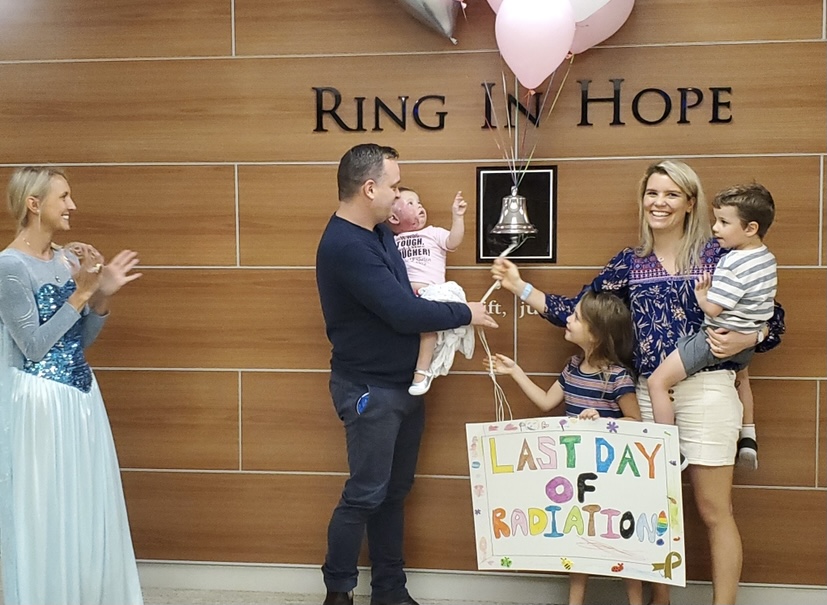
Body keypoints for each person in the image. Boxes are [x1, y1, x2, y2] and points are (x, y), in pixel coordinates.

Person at [491, 160, 784, 605]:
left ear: (690, 202)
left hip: (709, 389)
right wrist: (520, 287)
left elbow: (771, 317)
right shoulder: (630, 263)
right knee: (652, 506)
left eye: (670, 194)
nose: (659, 202)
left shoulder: (721, 253)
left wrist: (752, 335)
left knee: (713, 509)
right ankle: (659, 601)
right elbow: (580, 310)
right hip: (647, 394)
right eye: (652, 193)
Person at [315, 144, 498, 605]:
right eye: (395, 187)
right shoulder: (344, 244)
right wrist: (465, 312)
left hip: (402, 385)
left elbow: (403, 297)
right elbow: (400, 312)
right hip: (369, 390)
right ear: (369, 187)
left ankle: (390, 593)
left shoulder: (377, 233)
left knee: (393, 494)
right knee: (364, 494)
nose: (399, 196)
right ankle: (338, 593)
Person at [0, 166, 143, 605]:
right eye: (63, 196)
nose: (72, 205)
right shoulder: (9, 267)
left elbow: (79, 342)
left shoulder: (67, 259)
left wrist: (101, 295)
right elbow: (35, 346)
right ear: (33, 204)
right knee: (46, 508)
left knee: (85, 505)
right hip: (39, 403)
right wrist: (80, 293)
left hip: (81, 397)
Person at [486, 289, 644, 605]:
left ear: (597, 335)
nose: (568, 319)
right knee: (578, 541)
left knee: (628, 543)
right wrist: (514, 371)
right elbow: (546, 402)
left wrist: (600, 421)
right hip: (576, 477)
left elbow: (636, 422)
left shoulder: (617, 378)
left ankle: (636, 600)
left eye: (576, 317)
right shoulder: (572, 367)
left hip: (612, 477)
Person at [647, 184, 777, 470]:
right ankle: (749, 435)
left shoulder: (727, 259)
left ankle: (668, 448)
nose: (716, 228)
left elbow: (715, 309)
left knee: (657, 382)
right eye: (652, 193)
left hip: (713, 342)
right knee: (742, 377)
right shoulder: (766, 257)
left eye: (723, 222)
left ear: (751, 227)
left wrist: (703, 297)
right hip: (741, 349)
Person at [387, 187, 473, 396]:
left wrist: (458, 217)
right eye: (411, 203)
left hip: (430, 293)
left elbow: (453, 241)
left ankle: (422, 373)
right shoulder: (390, 241)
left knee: (428, 330)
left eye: (419, 202)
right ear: (393, 218)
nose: (419, 206)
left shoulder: (432, 233)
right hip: (404, 296)